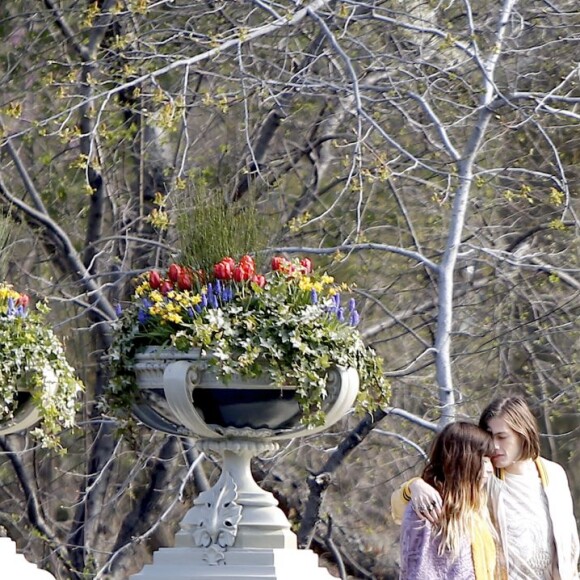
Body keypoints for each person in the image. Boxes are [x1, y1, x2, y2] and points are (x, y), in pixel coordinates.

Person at [392, 396, 580, 580]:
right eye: (490, 436)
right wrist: (414, 486)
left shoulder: (554, 474)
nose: (494, 446)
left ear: (523, 434)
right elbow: (403, 509)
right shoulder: (482, 477)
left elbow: (568, 543)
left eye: (502, 436)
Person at [399, 421, 503, 579]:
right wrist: (413, 486)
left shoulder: (476, 509)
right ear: (463, 461)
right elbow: (421, 573)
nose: (490, 469)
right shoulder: (427, 508)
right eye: (484, 460)